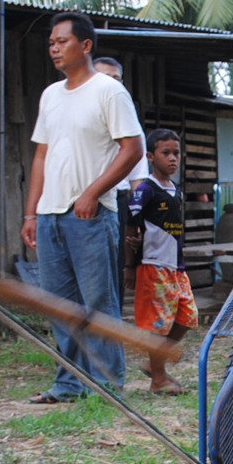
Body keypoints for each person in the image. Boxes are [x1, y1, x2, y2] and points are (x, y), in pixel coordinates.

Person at [22, 12, 144, 404]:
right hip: (50, 215)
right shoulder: (50, 95)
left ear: (86, 45)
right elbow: (41, 155)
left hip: (92, 214)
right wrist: (31, 212)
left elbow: (132, 149)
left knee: (98, 303)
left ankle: (109, 385)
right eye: (51, 43)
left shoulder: (108, 91)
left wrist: (92, 192)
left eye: (62, 41)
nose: (54, 48)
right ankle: (68, 383)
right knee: (59, 304)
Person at [125, 129, 197, 395]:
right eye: (165, 153)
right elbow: (131, 231)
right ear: (151, 157)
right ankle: (158, 379)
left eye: (176, 153)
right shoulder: (144, 191)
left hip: (176, 265)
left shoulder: (175, 190)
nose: (172, 158)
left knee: (188, 316)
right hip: (153, 265)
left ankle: (155, 360)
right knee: (158, 324)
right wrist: (130, 266)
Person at [93, 56, 150, 305]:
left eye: (116, 80)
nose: (111, 85)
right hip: (79, 204)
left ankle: (109, 333)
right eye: (104, 79)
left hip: (117, 204)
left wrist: (137, 222)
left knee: (114, 274)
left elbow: (137, 180)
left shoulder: (130, 126)